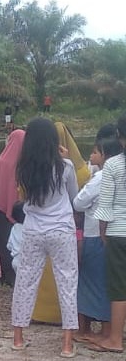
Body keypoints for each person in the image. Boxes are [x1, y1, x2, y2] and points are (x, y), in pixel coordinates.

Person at [11, 117, 78, 358]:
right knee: (68, 283)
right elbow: (74, 197)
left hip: (33, 229)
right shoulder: (66, 166)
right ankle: (67, 344)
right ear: (53, 140)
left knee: (25, 281)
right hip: (61, 230)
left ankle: (18, 337)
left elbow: (23, 198)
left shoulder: (24, 168)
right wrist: (64, 155)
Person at [74, 137, 122, 343]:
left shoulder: (102, 176)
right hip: (114, 234)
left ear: (105, 155)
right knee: (109, 282)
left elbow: (78, 202)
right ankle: (110, 329)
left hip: (97, 234)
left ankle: (89, 330)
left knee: (91, 281)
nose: (91, 155)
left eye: (95, 152)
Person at [90, 115, 126, 353]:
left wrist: (102, 231)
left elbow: (105, 206)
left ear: (121, 139)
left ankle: (115, 339)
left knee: (119, 287)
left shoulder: (113, 165)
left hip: (118, 233)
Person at [0, 129, 25, 286]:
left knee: (4, 242)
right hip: (20, 211)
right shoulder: (25, 162)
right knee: (19, 243)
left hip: (1, 207)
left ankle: (5, 274)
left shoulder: (1, 161)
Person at [7, 203, 25, 272]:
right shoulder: (29, 229)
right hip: (25, 261)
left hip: (15, 261)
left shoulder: (14, 228)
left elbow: (9, 246)